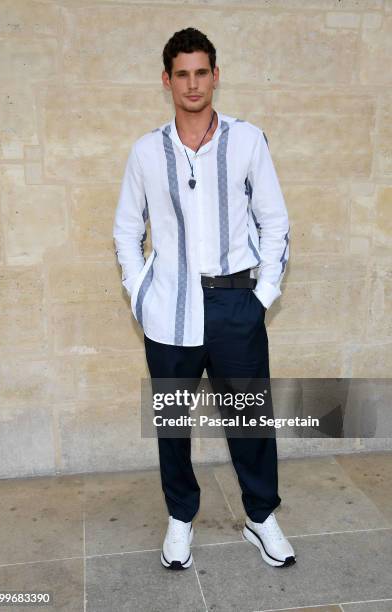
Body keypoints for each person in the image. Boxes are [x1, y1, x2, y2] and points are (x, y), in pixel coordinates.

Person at [113, 27, 295, 571]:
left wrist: (261, 297)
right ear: (167, 80)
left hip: (235, 305)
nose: (193, 84)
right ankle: (179, 518)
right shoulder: (147, 151)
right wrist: (139, 293)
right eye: (181, 74)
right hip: (168, 309)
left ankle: (261, 518)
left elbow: (276, 222)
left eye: (202, 72)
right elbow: (126, 230)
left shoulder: (247, 140)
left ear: (215, 76)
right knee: (171, 422)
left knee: (250, 418)